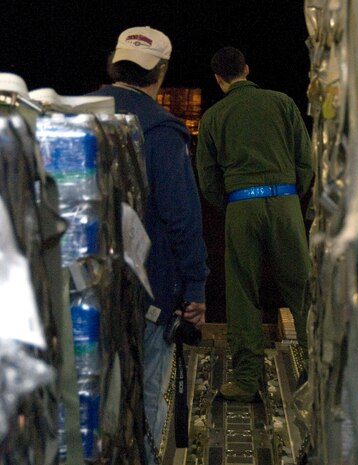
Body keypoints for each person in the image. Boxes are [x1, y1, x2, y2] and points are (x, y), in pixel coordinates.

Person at [88, 26, 209, 463]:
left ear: (113, 65)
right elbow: (181, 218)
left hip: (80, 294)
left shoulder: (78, 119)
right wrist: (195, 287)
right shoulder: (160, 130)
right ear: (160, 70)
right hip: (147, 291)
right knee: (143, 396)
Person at [196, 47, 313, 402]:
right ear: (247, 69)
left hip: (242, 206)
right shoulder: (282, 103)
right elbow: (305, 160)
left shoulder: (214, 116)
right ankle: (319, 369)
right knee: (303, 290)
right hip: (285, 202)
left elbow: (207, 177)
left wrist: (230, 204)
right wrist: (292, 195)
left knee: (243, 293)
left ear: (219, 79)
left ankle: (247, 381)